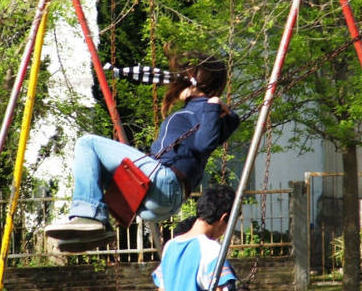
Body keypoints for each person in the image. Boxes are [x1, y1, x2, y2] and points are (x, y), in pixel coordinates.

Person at [45, 52, 241, 253]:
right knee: (97, 164)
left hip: (166, 183)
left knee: (87, 144)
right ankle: (99, 226)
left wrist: (214, 104)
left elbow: (204, 143)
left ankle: (88, 215)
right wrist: (216, 108)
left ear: (197, 82)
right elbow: (228, 122)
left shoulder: (207, 111)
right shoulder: (204, 113)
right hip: (161, 202)